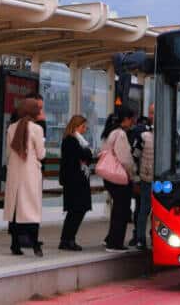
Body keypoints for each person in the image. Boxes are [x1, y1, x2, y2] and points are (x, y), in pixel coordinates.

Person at [4, 98, 46, 256]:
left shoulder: (12, 128)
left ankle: (15, 245)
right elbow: (41, 154)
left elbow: (8, 153)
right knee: (31, 208)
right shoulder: (36, 129)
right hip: (30, 174)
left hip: (14, 172)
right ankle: (35, 245)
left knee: (16, 209)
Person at [101, 106, 137, 252]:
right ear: (126, 119)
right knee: (121, 210)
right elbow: (125, 159)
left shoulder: (111, 132)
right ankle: (115, 243)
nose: (132, 122)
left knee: (117, 209)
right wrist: (132, 174)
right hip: (120, 177)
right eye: (131, 119)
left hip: (110, 177)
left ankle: (111, 239)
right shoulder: (121, 134)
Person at [59, 115, 93, 251]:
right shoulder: (71, 140)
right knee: (75, 211)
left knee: (78, 210)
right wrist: (86, 154)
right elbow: (85, 155)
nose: (85, 129)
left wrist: (86, 155)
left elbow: (87, 157)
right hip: (74, 182)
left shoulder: (79, 140)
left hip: (79, 180)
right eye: (83, 126)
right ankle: (67, 240)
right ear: (76, 126)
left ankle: (68, 239)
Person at [132, 104, 154, 249]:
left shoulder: (171, 135)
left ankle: (156, 237)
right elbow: (134, 156)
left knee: (161, 212)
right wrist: (137, 178)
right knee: (144, 210)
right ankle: (140, 238)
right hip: (146, 179)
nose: (153, 116)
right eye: (152, 113)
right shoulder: (143, 136)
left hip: (164, 181)